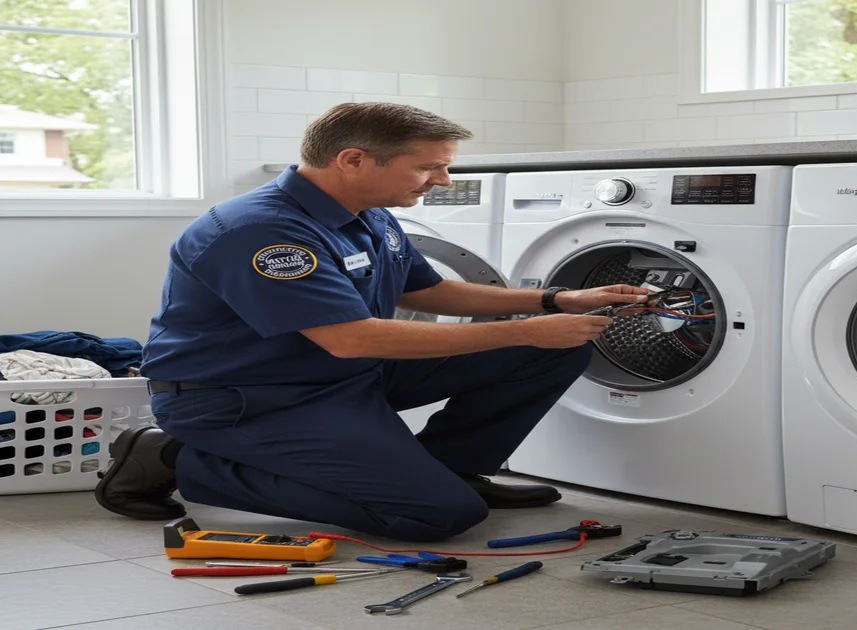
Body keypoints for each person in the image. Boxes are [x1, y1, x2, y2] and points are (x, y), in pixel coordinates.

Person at [94, 102, 649, 541]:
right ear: (353, 160)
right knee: (438, 518)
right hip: (245, 398)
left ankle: (452, 469)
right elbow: (350, 338)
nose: (444, 179)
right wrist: (524, 328)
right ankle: (174, 457)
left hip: (342, 377)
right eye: (429, 165)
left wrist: (557, 300)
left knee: (552, 349)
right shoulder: (260, 231)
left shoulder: (370, 215)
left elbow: (431, 290)